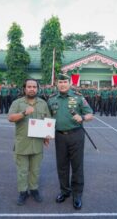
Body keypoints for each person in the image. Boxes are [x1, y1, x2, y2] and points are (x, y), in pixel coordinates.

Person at [47, 73, 93, 210]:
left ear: (69, 84)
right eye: (60, 82)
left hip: (76, 135)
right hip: (59, 136)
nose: (62, 84)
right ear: (57, 84)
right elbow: (47, 118)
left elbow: (90, 114)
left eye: (65, 82)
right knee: (62, 165)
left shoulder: (78, 98)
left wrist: (83, 117)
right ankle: (65, 191)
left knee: (77, 165)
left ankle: (77, 194)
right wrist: (45, 134)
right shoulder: (51, 99)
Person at [8, 79, 51, 206]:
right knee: (22, 170)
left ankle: (34, 190)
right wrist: (24, 113)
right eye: (29, 87)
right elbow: (10, 118)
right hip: (22, 143)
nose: (32, 89)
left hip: (37, 144)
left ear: (37, 89)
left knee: (35, 170)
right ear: (25, 89)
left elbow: (47, 120)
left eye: (34, 87)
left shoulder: (43, 103)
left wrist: (46, 136)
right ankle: (23, 192)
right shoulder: (17, 103)